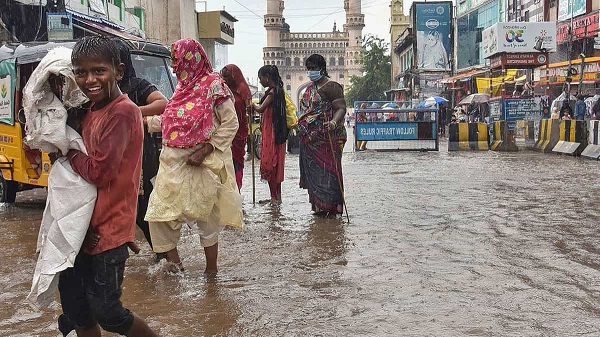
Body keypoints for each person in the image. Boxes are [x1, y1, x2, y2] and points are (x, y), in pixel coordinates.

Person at [58, 36, 158, 337]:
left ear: (119, 70)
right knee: (78, 310)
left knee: (109, 312)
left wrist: (66, 151)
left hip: (108, 231)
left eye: (99, 71)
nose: (89, 80)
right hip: (79, 227)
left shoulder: (123, 111)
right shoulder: (89, 109)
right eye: (81, 72)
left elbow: (100, 171)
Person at [145, 38, 242, 275]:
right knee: (159, 213)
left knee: (205, 215)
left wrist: (205, 150)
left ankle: (211, 274)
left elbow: (231, 123)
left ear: (191, 58)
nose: (174, 66)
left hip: (203, 162)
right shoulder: (181, 89)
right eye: (173, 61)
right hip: (172, 162)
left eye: (176, 59)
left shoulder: (214, 85)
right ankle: (176, 266)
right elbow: (173, 121)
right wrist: (144, 122)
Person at [113, 38, 168, 255]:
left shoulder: (136, 85)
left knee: (143, 207)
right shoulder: (98, 89)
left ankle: (164, 253)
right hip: (111, 156)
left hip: (139, 156)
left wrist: (134, 111)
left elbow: (162, 103)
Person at [298, 53, 347, 216]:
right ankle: (318, 207)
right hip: (311, 141)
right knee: (315, 174)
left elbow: (341, 108)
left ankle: (332, 209)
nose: (311, 72)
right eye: (308, 69)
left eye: (314, 68)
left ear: (322, 69)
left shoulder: (332, 87)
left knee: (330, 173)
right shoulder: (308, 89)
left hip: (328, 139)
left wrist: (333, 122)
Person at [253, 65, 288, 204]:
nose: (260, 81)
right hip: (276, 132)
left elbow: (260, 109)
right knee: (275, 165)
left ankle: (274, 197)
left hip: (271, 133)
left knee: (270, 165)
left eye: (261, 78)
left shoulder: (273, 93)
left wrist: (251, 105)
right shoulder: (278, 91)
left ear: (267, 77)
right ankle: (276, 197)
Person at [220, 64, 251, 191]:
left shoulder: (242, 89)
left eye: (228, 76)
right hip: (224, 133)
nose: (225, 80)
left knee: (236, 162)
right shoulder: (223, 91)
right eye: (223, 77)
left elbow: (247, 110)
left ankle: (236, 190)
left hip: (238, 134)